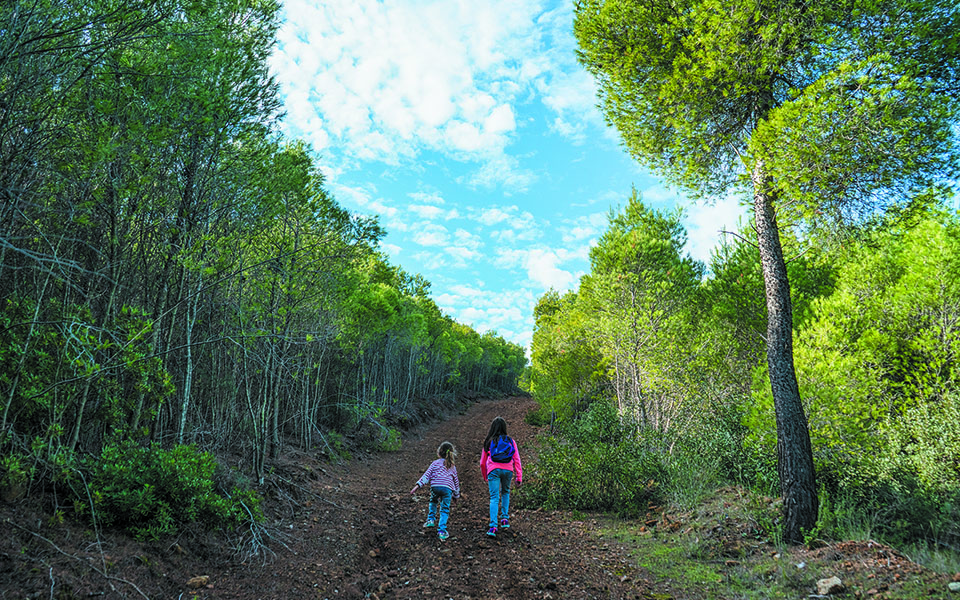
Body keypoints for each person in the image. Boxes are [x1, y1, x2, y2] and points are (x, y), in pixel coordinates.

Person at [410, 441, 461, 541]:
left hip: (435, 487)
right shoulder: (452, 466)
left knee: (433, 501)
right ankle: (442, 530)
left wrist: (417, 485)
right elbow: (456, 482)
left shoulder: (435, 463)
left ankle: (430, 520)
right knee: (445, 509)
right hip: (447, 489)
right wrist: (456, 495)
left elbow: (426, 475)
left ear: (439, 452)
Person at [480, 416, 522, 537]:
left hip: (493, 470)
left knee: (494, 497)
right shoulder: (510, 441)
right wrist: (519, 477)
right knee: (505, 492)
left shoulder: (489, 441)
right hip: (508, 470)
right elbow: (517, 459)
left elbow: (482, 462)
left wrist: (485, 475)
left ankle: (493, 526)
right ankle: (504, 519)